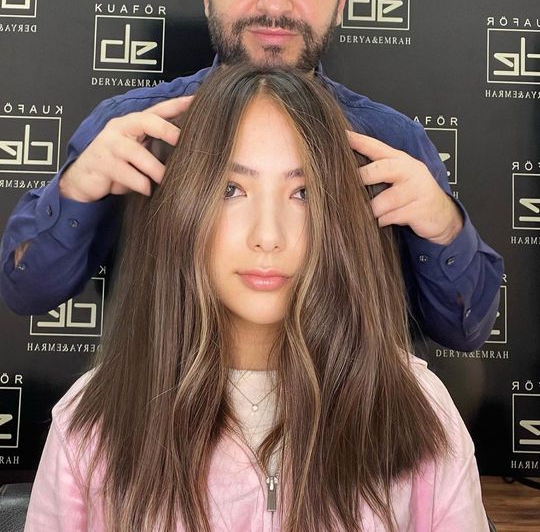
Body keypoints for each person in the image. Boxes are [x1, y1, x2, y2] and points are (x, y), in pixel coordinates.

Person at [0, 0, 503, 350]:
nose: (275, 3)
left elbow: (464, 331)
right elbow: (25, 291)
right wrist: (75, 192)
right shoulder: (129, 129)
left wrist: (444, 227)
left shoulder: (394, 144)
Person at [24, 65, 489, 532]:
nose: (268, 235)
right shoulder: (92, 422)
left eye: (302, 193)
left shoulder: (420, 410)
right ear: (180, 207)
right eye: (231, 189)